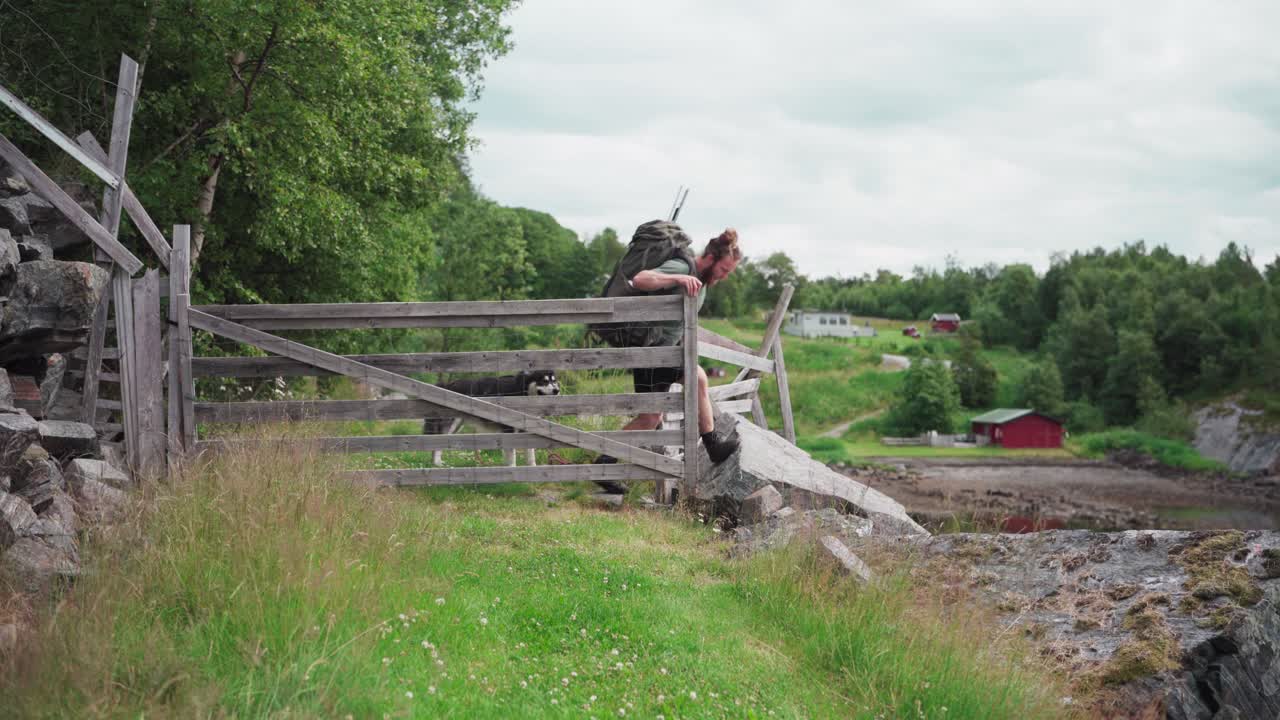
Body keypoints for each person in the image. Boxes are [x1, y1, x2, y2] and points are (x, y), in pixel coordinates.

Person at [595, 224, 743, 474]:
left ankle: (603, 464)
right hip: (652, 351)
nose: (724, 276)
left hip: (656, 353)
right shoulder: (684, 267)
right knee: (698, 377)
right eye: (723, 269)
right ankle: (713, 445)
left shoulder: (703, 282)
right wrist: (676, 278)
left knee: (649, 419)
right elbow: (640, 279)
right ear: (710, 258)